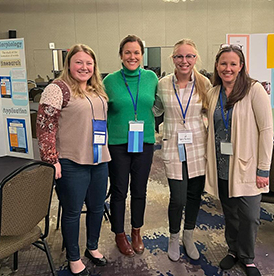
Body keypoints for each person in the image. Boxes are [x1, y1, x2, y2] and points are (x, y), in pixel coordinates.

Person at [37, 44, 110, 276]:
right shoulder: (57, 89)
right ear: (69, 64)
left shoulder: (96, 88)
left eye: (89, 63)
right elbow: (45, 127)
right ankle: (74, 257)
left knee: (97, 207)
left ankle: (92, 247)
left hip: (99, 159)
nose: (84, 67)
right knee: (72, 211)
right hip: (71, 161)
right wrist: (51, 160)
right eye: (79, 62)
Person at [205, 44, 273, 276]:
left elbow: (266, 130)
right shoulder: (214, 93)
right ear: (217, 66)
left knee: (250, 216)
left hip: (247, 166)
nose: (228, 68)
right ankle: (233, 250)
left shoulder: (254, 90)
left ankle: (247, 257)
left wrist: (264, 169)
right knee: (230, 213)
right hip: (222, 165)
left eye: (233, 63)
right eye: (223, 63)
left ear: (241, 66)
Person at [153, 38, 211, 261]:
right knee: (178, 198)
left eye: (189, 56)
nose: (184, 61)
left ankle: (189, 236)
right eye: (179, 56)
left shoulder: (204, 83)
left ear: (196, 58)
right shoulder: (163, 84)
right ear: (173, 58)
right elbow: (156, 108)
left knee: (194, 194)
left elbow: (209, 111)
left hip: (197, 145)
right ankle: (173, 238)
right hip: (173, 146)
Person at [103, 34, 158, 257]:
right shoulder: (110, 81)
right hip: (117, 144)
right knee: (118, 191)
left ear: (142, 55)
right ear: (121, 55)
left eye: (136, 52)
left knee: (139, 190)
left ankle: (136, 231)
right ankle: (119, 234)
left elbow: (159, 106)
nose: (132, 56)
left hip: (144, 142)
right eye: (127, 52)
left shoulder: (151, 78)